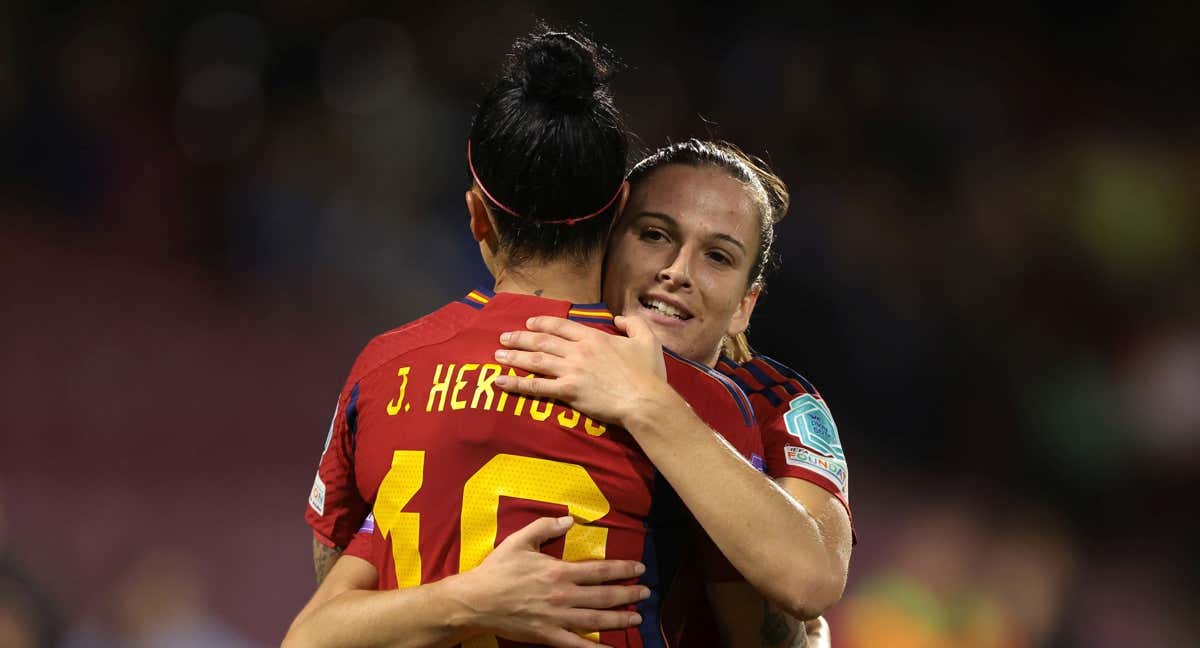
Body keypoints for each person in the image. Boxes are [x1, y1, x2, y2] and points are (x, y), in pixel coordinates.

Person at [286, 28, 771, 648]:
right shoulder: (694, 401)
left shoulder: (383, 372)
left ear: (477, 214)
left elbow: (328, 609)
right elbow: (760, 627)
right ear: (617, 207)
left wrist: (459, 598)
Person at [493, 140, 853, 647]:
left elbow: (810, 580)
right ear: (608, 243)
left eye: (718, 257)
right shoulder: (531, 352)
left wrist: (646, 403)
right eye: (655, 234)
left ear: (744, 308)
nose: (677, 272)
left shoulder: (776, 403)